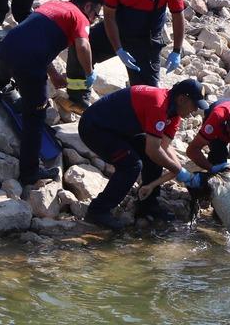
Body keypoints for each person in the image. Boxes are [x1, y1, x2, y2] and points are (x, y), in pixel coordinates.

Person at [0, 0, 104, 185]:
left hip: (7, 48)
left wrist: (53, 75)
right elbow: (83, 46)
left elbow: (36, 40)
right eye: (96, 14)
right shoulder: (79, 16)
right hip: (29, 62)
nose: (94, 19)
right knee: (35, 115)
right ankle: (30, 172)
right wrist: (88, 72)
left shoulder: (54, 5)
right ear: (87, 7)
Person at [63, 0, 186, 112]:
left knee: (147, 96)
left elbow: (178, 15)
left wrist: (177, 50)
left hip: (146, 40)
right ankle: (78, 98)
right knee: (81, 44)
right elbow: (109, 16)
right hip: (117, 30)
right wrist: (118, 49)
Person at [78, 80, 210, 229]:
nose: (194, 112)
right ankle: (98, 211)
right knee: (131, 165)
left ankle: (147, 204)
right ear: (182, 99)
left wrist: (182, 172)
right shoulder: (158, 104)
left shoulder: (174, 113)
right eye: (194, 106)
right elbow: (153, 150)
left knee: (155, 159)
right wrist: (179, 171)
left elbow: (163, 147)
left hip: (119, 130)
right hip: (94, 128)